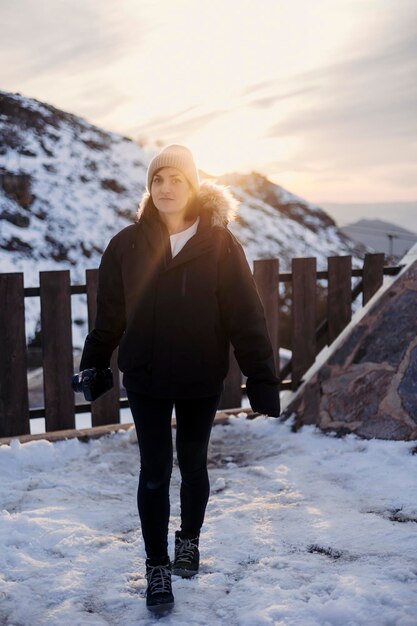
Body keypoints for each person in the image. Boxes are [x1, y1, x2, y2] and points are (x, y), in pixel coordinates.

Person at [78, 144, 280, 613]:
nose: (166, 188)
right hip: (146, 378)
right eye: (158, 180)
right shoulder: (126, 244)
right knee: (153, 474)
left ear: (193, 187)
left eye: (177, 180)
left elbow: (245, 316)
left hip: (199, 377)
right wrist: (95, 363)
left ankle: (188, 539)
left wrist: (262, 379)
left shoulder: (220, 243)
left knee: (193, 465)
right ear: (149, 188)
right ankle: (157, 568)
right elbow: (109, 316)